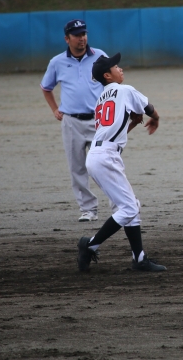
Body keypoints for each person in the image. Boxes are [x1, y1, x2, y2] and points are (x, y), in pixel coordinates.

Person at [76, 53, 166, 272]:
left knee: (127, 206)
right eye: (116, 67)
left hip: (99, 156)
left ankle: (139, 258)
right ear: (107, 75)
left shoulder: (101, 100)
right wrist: (156, 118)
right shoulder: (125, 90)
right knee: (129, 207)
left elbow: (114, 133)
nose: (120, 69)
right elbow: (148, 108)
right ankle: (90, 245)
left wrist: (133, 123)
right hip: (106, 158)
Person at [40, 19, 106, 223]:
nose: (82, 38)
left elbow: (113, 81)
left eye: (84, 34)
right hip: (71, 122)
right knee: (77, 168)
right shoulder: (57, 62)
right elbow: (46, 87)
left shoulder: (100, 56)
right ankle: (88, 209)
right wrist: (55, 109)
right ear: (67, 39)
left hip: (98, 121)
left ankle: (119, 204)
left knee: (103, 164)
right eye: (77, 35)